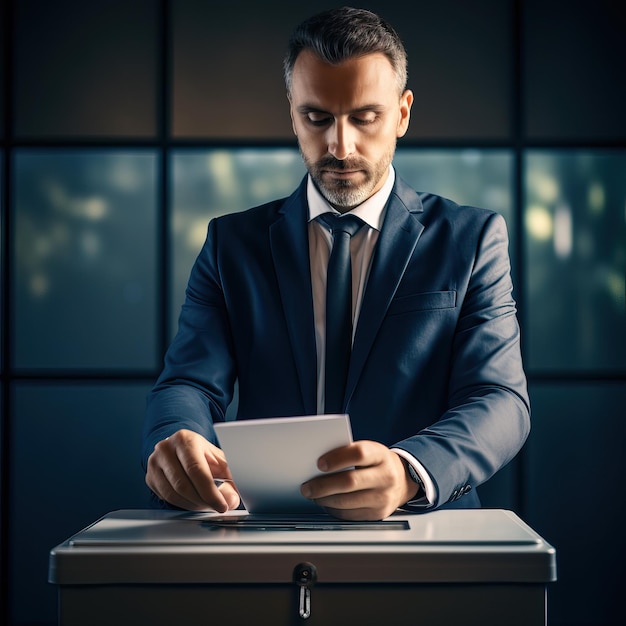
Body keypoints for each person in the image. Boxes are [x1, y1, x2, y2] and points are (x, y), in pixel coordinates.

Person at [142, 6, 530, 521]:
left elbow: (500, 398)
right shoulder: (230, 244)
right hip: (264, 532)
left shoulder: (473, 238)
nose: (339, 146)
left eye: (365, 118)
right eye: (316, 117)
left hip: (426, 531)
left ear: (403, 113)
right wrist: (178, 443)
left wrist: (411, 470)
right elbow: (188, 383)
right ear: (291, 113)